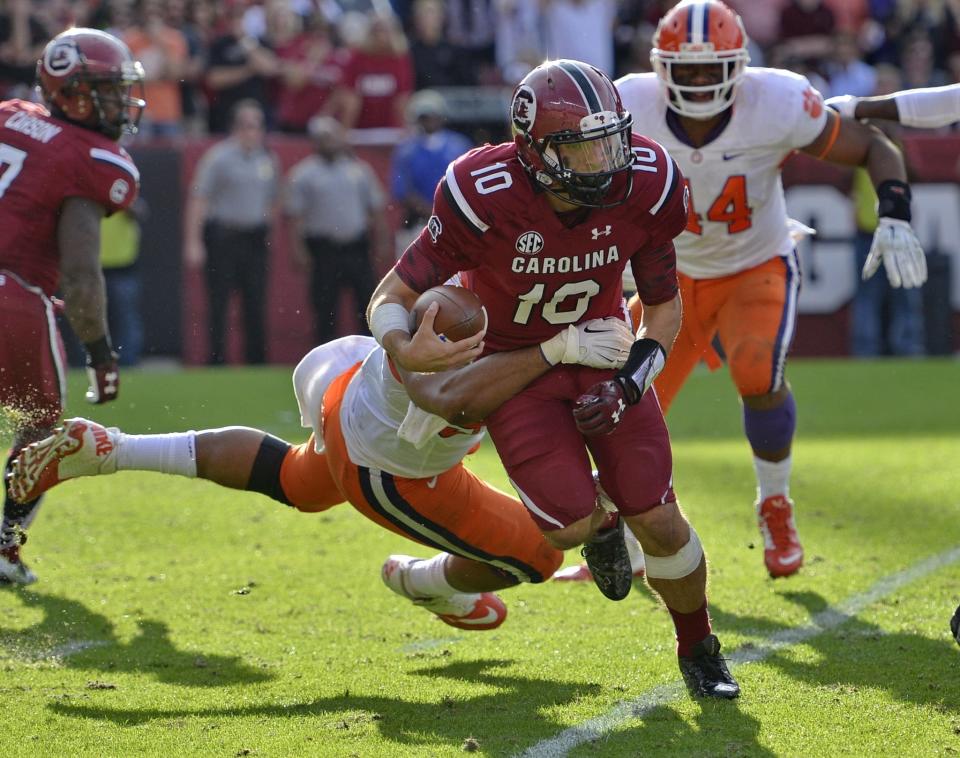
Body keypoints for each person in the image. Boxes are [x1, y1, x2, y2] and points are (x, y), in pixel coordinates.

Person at [367, 58, 741, 700]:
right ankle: (599, 525)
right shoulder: (481, 190)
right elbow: (392, 292)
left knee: (659, 515)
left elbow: (662, 312)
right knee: (564, 524)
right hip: (516, 369)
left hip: (601, 352)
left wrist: (627, 384)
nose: (608, 160)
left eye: (612, 140)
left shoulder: (647, 183)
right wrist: (405, 344)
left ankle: (698, 646)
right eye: (585, 148)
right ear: (535, 153)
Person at [8, 317, 636, 628]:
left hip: (347, 377)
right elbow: (475, 404)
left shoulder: (475, 238)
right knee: (540, 554)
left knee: (296, 484)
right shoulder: (483, 340)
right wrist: (561, 349)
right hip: (395, 461)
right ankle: (425, 583)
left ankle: (110, 449)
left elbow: (396, 290)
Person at [605, 0, 928, 581]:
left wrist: (895, 212)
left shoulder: (776, 100)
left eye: (712, 69)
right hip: (668, 279)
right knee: (631, 404)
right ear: (660, 68)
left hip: (754, 263)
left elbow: (874, 146)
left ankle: (775, 505)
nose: (701, 82)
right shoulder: (626, 105)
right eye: (688, 70)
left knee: (757, 376)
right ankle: (626, 533)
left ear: (739, 66)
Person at [0, 27, 145, 584]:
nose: (121, 102)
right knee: (37, 429)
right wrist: (102, 355)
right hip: (13, 295)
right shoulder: (91, 157)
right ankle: (5, 546)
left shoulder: (11, 114)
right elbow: (82, 278)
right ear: (73, 91)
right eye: (108, 89)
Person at [185, 99, 279, 365]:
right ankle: (217, 360)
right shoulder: (218, 158)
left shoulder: (267, 159)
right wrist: (194, 242)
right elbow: (199, 198)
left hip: (254, 238)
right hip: (224, 237)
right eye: (247, 126)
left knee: (255, 302)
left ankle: (256, 360)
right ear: (236, 128)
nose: (252, 132)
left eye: (257, 126)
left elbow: (272, 199)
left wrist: (268, 231)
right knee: (219, 303)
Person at [285, 115, 390, 344]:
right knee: (324, 307)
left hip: (356, 246)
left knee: (367, 304)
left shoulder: (359, 170)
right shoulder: (304, 174)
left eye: (332, 137)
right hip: (323, 249)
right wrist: (298, 249)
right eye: (323, 138)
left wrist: (381, 241)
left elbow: (376, 210)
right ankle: (326, 356)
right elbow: (296, 217)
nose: (328, 142)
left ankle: (369, 352)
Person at [390, 90, 472, 255]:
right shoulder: (406, 149)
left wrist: (446, 212)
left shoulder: (459, 145)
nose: (429, 121)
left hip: (454, 222)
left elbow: (468, 184)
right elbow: (402, 191)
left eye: (433, 116)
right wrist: (431, 212)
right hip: (417, 223)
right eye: (424, 117)